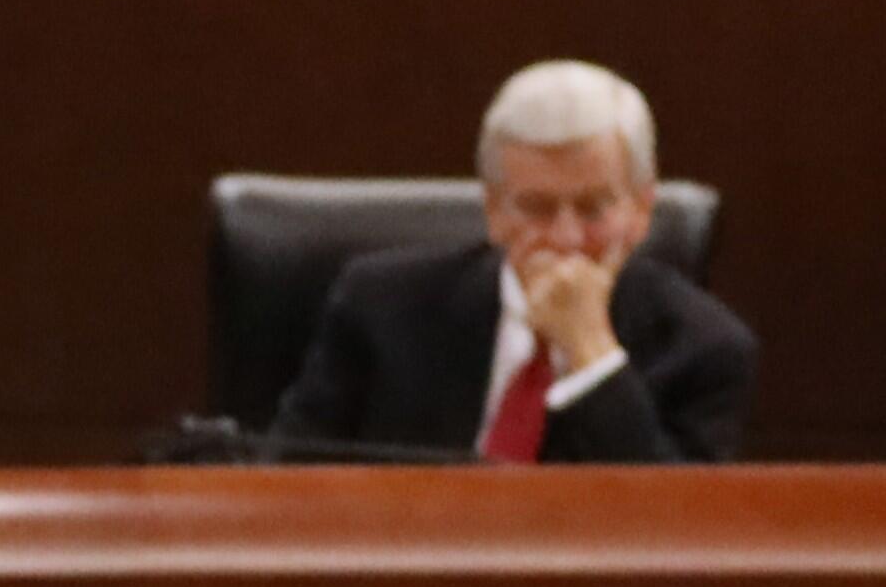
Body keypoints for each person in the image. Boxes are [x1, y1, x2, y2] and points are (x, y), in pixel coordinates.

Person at [270, 60, 755, 461]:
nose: (566, 239)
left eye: (593, 208)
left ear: (642, 210)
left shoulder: (705, 348)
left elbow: (675, 530)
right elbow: (285, 487)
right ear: (494, 211)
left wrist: (591, 353)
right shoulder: (380, 308)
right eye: (537, 209)